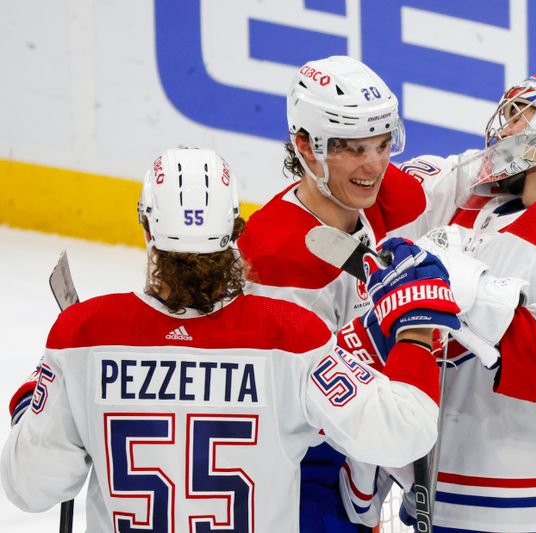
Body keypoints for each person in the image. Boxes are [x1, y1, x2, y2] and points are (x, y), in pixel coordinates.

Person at [0, 147, 460, 533]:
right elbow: (405, 435)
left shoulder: (84, 334)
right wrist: (416, 327)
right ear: (237, 231)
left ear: (146, 229)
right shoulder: (291, 335)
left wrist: (39, 409)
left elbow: (30, 488)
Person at [346, 73, 536, 532]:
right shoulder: (477, 212)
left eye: (521, 115)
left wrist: (467, 294)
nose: (504, 129)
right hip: (436, 500)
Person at [237, 55, 467, 533]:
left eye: (384, 145)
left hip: (356, 443)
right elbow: (293, 398)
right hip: (297, 469)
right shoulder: (278, 256)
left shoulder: (379, 193)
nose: (375, 165)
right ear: (305, 146)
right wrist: (383, 336)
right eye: (354, 149)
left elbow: (461, 181)